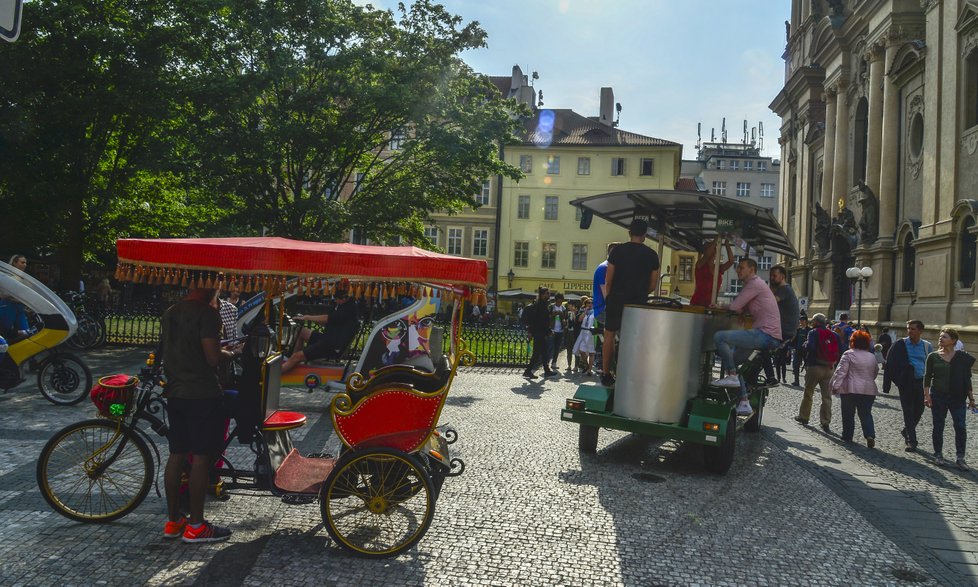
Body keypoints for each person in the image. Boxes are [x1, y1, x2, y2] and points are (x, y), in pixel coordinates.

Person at [159, 285, 234, 543]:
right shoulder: (207, 314)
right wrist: (232, 352)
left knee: (177, 455)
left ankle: (173, 521)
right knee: (202, 458)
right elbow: (212, 357)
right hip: (201, 394)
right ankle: (196, 525)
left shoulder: (171, 312)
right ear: (209, 286)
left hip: (176, 392)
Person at [711, 258, 781, 416]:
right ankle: (744, 402)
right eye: (737, 268)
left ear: (752, 269)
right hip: (766, 333)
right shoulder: (756, 285)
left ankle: (732, 376)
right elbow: (744, 308)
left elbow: (735, 306)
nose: (738, 270)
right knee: (734, 362)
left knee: (720, 337)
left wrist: (720, 305)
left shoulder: (754, 284)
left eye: (741, 267)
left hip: (765, 334)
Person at [601, 219, 659, 387]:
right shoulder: (651, 255)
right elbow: (653, 284)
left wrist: (610, 296)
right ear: (645, 235)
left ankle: (606, 373)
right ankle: (628, 373)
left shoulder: (617, 251)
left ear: (629, 232)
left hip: (617, 297)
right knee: (633, 338)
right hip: (638, 301)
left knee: (609, 335)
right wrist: (641, 293)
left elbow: (608, 279)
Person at [924, 327, 976, 469]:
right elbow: (927, 377)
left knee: (960, 426)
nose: (941, 338)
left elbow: (967, 379)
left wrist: (971, 399)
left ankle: (960, 458)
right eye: (940, 336)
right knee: (938, 425)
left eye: (945, 337)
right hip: (938, 395)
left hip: (958, 396)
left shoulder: (962, 358)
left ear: (953, 340)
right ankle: (938, 454)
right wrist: (927, 395)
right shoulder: (933, 356)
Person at [282, 290, 359, 373]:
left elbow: (327, 318)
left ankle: (280, 372)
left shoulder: (348, 309)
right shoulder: (340, 306)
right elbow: (327, 322)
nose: (335, 301)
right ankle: (293, 363)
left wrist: (307, 317)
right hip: (327, 338)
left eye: (337, 299)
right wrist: (306, 318)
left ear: (344, 298)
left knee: (296, 356)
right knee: (302, 332)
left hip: (331, 346)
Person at [885, 320, 933, 452]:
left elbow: (931, 365)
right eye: (908, 328)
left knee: (919, 410)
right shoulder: (900, 344)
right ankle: (911, 441)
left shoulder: (927, 346)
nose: (909, 331)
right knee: (908, 411)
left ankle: (906, 431)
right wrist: (897, 381)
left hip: (921, 383)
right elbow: (890, 363)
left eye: (912, 329)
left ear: (920, 331)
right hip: (906, 383)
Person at [830, 330, 879, 447]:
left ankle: (847, 435)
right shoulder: (872, 356)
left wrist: (835, 386)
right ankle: (869, 435)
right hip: (868, 389)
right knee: (866, 413)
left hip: (850, 389)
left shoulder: (848, 354)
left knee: (848, 414)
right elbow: (875, 372)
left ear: (853, 341)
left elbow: (841, 372)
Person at [795, 313, 838, 430]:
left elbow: (811, 347)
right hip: (829, 368)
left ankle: (804, 417)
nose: (811, 323)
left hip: (815, 367)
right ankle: (825, 421)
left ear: (815, 322)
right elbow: (840, 349)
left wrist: (804, 344)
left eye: (812, 321)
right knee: (827, 397)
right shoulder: (833, 334)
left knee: (809, 393)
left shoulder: (813, 332)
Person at [762, 265, 799, 384]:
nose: (772, 278)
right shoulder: (783, 289)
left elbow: (769, 303)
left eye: (774, 276)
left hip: (784, 330)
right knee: (761, 352)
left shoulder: (784, 289)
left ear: (782, 276)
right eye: (770, 276)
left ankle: (771, 377)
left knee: (761, 349)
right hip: (786, 330)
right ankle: (768, 377)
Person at [591, 242, 619, 374]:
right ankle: (608, 369)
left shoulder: (608, 267)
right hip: (603, 309)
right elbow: (606, 293)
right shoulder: (605, 268)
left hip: (603, 309)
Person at [690, 239, 734, 307]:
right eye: (706, 248)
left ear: (716, 251)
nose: (709, 250)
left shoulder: (718, 269)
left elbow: (731, 261)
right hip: (697, 303)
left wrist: (727, 245)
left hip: (710, 305)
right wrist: (717, 238)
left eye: (711, 247)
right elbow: (707, 255)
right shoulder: (700, 265)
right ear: (704, 251)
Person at [523, 287, 555, 379]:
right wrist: (548, 331)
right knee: (536, 354)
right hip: (539, 333)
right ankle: (528, 371)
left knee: (544, 353)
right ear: (542, 295)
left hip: (540, 332)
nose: (549, 295)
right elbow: (540, 321)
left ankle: (547, 371)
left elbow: (544, 320)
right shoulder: (540, 305)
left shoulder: (543, 304)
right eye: (547, 293)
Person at [572, 297, 596, 376]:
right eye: (588, 303)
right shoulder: (584, 312)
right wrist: (585, 312)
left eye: (591, 303)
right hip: (583, 332)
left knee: (592, 352)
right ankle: (587, 365)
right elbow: (579, 320)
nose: (590, 304)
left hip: (591, 333)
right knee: (582, 350)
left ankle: (589, 370)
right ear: (585, 304)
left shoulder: (595, 312)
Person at [549, 293, 569, 372]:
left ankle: (554, 362)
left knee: (557, 348)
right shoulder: (551, 307)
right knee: (550, 347)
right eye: (558, 301)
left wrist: (564, 320)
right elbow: (547, 317)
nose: (559, 303)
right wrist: (553, 314)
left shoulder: (564, 309)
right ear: (555, 300)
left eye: (561, 302)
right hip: (552, 329)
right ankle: (547, 362)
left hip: (560, 330)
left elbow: (566, 320)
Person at [791, 315, 811, 386]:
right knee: (796, 366)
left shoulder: (809, 330)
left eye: (802, 320)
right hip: (798, 350)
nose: (801, 322)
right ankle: (796, 381)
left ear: (806, 321)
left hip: (806, 351)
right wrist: (793, 347)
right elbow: (794, 339)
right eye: (800, 321)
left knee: (807, 367)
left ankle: (808, 381)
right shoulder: (798, 330)